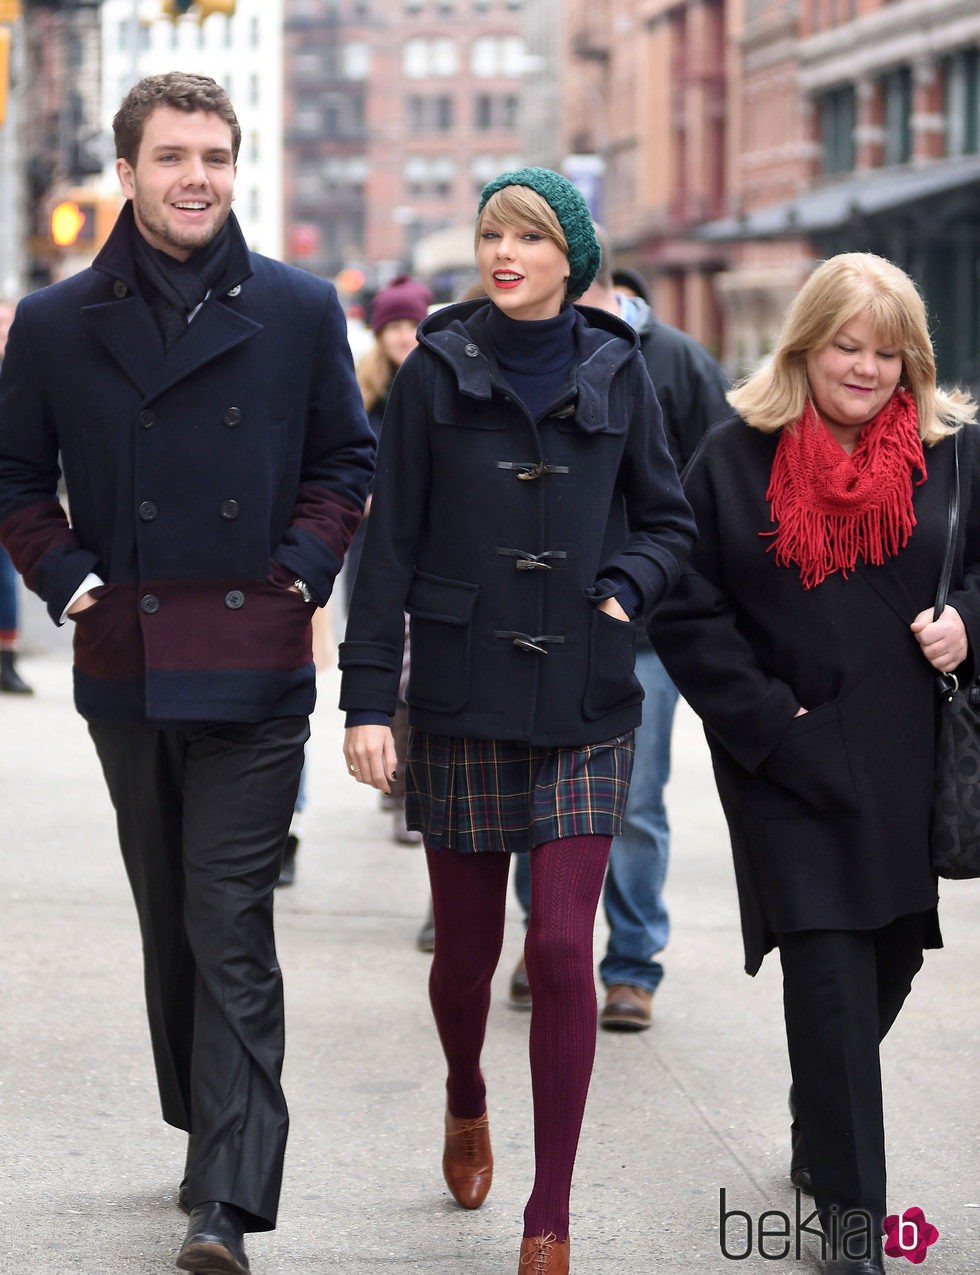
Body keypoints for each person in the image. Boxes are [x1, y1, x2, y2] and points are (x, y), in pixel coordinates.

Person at [0, 72, 374, 1274]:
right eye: (171, 157)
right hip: (130, 656)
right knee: (170, 916)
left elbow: (343, 461)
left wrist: (298, 574)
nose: (196, 177)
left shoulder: (301, 306)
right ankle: (202, 1122)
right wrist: (75, 583)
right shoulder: (54, 322)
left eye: (214, 154)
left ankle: (228, 1196)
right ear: (125, 172)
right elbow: (13, 482)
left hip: (254, 658)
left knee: (228, 920)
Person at [338, 167, 695, 1274]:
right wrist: (363, 702)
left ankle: (550, 1210)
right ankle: (463, 1093)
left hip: (585, 696)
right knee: (464, 958)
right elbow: (384, 543)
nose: (504, 251)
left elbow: (668, 518)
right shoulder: (438, 367)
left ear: (569, 257)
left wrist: (628, 580)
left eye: (529, 237)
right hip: (459, 694)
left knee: (554, 946)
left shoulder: (621, 368)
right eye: (493, 232)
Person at [648, 252, 976, 1275]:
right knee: (828, 978)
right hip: (785, 758)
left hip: (899, 755)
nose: (865, 368)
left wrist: (967, 619)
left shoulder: (951, 453)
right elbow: (686, 601)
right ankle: (848, 1224)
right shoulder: (731, 455)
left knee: (888, 960)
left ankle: (814, 1110)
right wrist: (764, 720)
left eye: (887, 352)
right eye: (846, 345)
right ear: (804, 344)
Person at [509, 227, 731, 1027]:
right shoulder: (524, 348)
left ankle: (631, 965)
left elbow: (715, 497)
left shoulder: (673, 360)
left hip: (643, 630)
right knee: (537, 792)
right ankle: (549, 942)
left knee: (634, 802)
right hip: (537, 627)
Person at [350, 274, 433, 853]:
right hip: (375, 548)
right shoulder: (365, 394)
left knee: (420, 665)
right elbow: (344, 461)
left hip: (432, 552)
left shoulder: (440, 380)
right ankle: (399, 778)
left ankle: (408, 785)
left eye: (412, 324)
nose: (404, 336)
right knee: (393, 665)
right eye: (394, 327)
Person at [0, 298, 33, 695]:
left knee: (6, 577)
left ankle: (6, 660)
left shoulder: (22, 370)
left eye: (8, 322)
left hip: (9, 485)